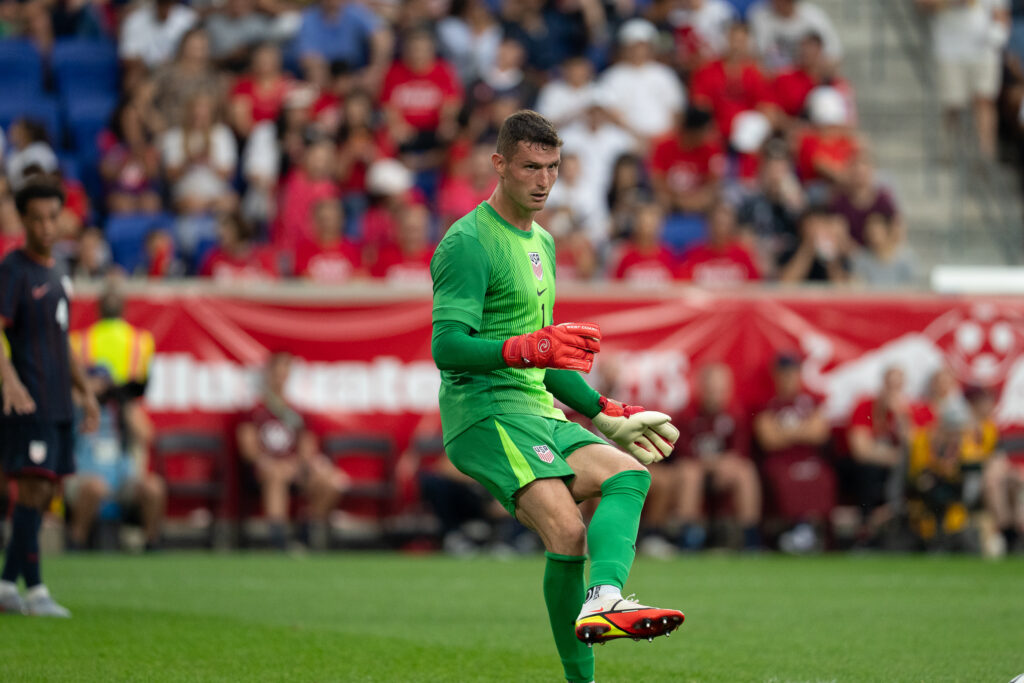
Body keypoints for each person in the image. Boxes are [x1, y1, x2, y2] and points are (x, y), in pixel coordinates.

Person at [430, 110, 684, 683]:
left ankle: (604, 598)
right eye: (530, 167)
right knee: (567, 530)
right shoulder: (468, 242)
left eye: (553, 167)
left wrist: (604, 412)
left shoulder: (542, 240)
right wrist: (526, 348)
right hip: (486, 411)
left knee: (629, 475)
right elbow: (447, 347)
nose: (544, 181)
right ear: (499, 164)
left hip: (534, 407)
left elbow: (546, 357)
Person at [0, 181, 100, 616]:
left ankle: (10, 585)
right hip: (29, 396)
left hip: (59, 399)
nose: (45, 226)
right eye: (37, 219)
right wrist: (9, 380)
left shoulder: (59, 270)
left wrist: (86, 392)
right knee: (33, 486)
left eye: (52, 217)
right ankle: (32, 588)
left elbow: (63, 340)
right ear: (23, 220)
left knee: (44, 492)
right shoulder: (12, 270)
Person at [236, 351, 347, 550]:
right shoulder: (254, 411)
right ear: (268, 374)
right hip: (264, 469)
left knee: (333, 481)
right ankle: (278, 540)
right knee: (276, 474)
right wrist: (272, 463)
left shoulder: (297, 412)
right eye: (277, 373)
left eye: (285, 373)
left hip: (295, 468)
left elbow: (307, 447)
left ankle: (306, 531)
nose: (280, 378)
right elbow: (248, 450)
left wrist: (299, 464)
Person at [656, 363, 762, 551]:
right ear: (701, 388)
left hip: (722, 473)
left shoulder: (736, 414)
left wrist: (724, 465)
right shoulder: (686, 415)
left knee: (746, 471)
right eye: (712, 390)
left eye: (721, 390)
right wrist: (715, 463)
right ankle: (688, 536)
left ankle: (750, 537)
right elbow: (683, 455)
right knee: (690, 473)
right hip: (691, 472)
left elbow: (739, 453)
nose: (716, 396)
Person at [753, 352, 835, 553]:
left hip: (809, 459)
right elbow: (768, 439)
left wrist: (785, 432)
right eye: (784, 374)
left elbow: (820, 433)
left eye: (792, 373)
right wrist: (803, 430)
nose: (788, 378)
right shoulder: (768, 405)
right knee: (785, 479)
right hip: (781, 462)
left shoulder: (812, 402)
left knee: (823, 477)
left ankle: (814, 530)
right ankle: (794, 529)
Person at [916, 0, 1010, 159]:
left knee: (984, 100)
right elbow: (922, 4)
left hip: (984, 51)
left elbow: (1001, 13)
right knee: (953, 104)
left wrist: (997, 36)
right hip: (949, 51)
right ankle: (954, 154)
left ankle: (985, 156)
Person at [676, 201, 760, 286]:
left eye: (724, 224)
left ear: (732, 226)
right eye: (716, 223)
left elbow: (755, 285)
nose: (720, 229)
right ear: (709, 225)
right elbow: (682, 284)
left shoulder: (742, 254)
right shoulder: (694, 253)